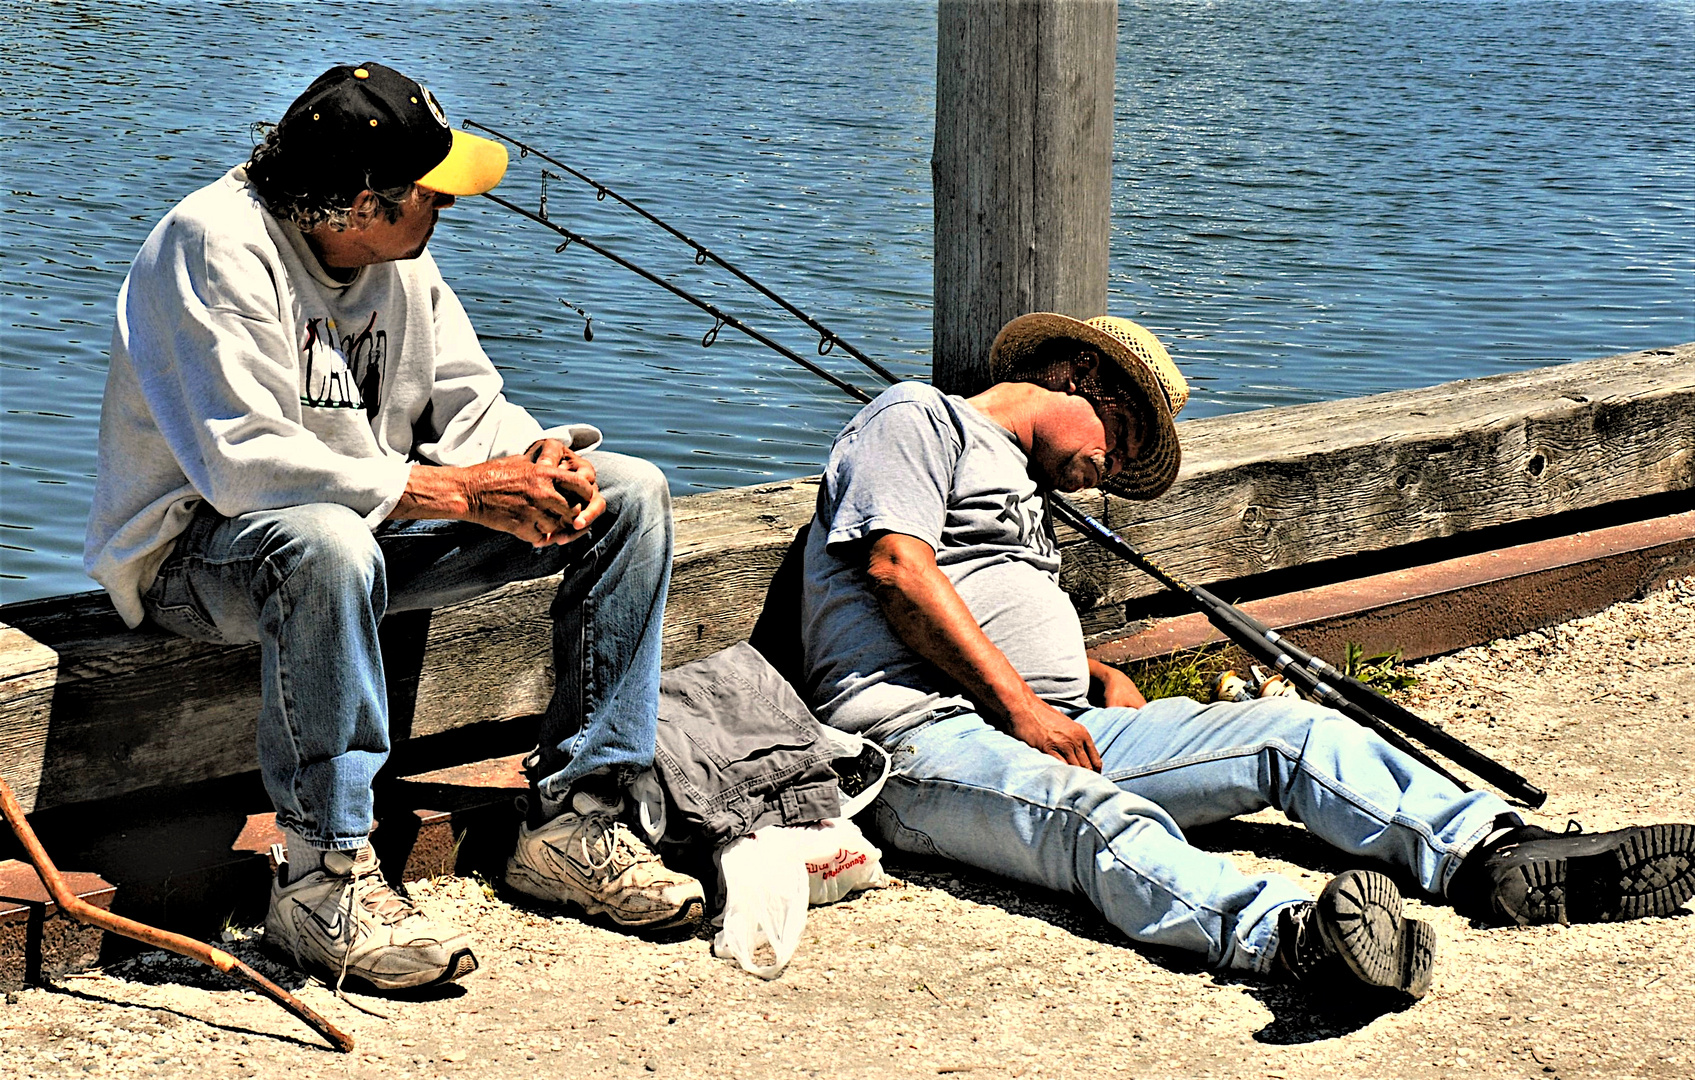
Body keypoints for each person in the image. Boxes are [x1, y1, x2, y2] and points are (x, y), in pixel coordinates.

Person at [798, 311, 1695, 997]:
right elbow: (898, 569)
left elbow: (995, 608)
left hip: (1054, 722)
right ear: (1080, 376)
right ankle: (1297, 939)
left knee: (1290, 731)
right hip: (919, 738)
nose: (1111, 472)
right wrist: (1026, 706)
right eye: (1125, 446)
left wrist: (1090, 677)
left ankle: (1491, 856)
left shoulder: (1026, 495)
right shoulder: (919, 419)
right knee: (1090, 816)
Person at [84, 63, 703, 993]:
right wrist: (455, 492)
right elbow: (248, 469)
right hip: (198, 554)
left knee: (628, 495)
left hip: (365, 535)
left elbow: (469, 403)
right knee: (325, 540)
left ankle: (579, 818)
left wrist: (537, 461)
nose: (448, 207)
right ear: (361, 203)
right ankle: (320, 876)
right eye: (431, 193)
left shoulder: (397, 259)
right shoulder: (210, 244)